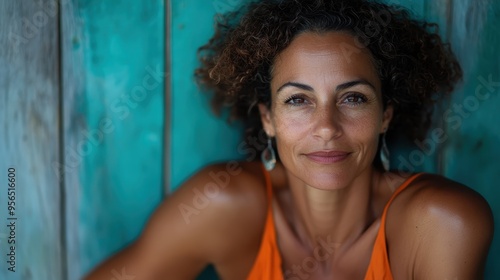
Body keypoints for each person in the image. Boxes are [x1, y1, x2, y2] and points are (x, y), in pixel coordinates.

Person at [85, 0, 494, 279]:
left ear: (385, 115)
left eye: (353, 98)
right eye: (298, 99)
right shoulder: (222, 207)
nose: (327, 127)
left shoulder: (442, 223)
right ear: (268, 119)